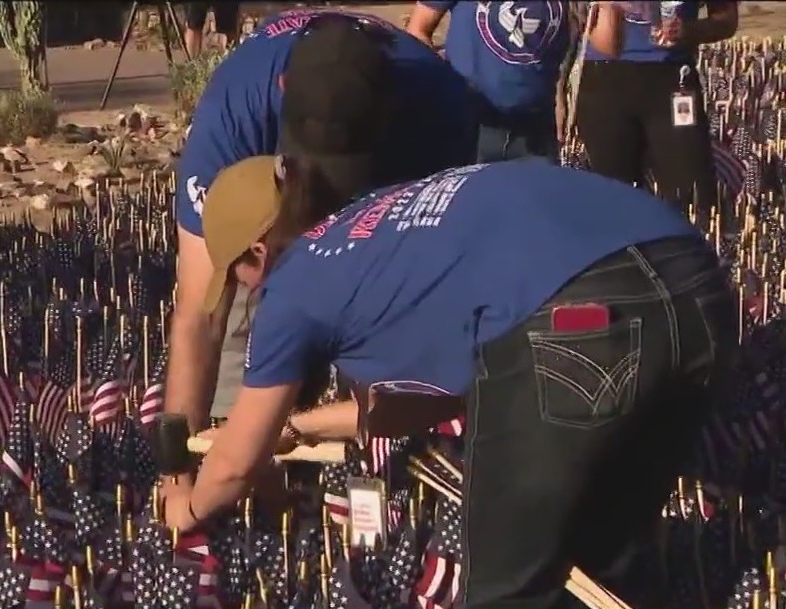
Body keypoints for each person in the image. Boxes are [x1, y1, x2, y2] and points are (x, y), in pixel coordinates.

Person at [165, 155, 737, 609]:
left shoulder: (293, 286)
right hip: (694, 284)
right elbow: (415, 404)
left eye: (237, 275)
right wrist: (296, 426)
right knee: (605, 562)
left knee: (506, 589)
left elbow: (235, 466)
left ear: (258, 252)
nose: (244, 290)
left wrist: (184, 509)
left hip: (580, 318)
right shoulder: (376, 225)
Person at [169, 8, 474, 450]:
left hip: (395, 176)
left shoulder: (439, 110)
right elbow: (199, 316)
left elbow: (431, 320)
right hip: (267, 160)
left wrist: (320, 425)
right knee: (237, 306)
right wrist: (180, 468)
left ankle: (364, 460)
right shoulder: (233, 110)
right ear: (284, 89)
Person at [406, 1, 625, 162]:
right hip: (471, 125)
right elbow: (417, 30)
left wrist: (609, 8)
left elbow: (608, 47)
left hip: (535, 129)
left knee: (531, 217)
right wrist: (444, 89)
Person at [576, 1, 738, 213]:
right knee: (611, 200)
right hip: (603, 81)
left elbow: (726, 20)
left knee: (691, 197)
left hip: (672, 80)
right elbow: (572, 20)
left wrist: (686, 31)